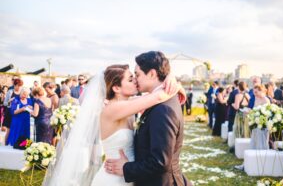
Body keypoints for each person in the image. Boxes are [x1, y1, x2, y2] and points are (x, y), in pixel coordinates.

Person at [43, 51, 190, 186]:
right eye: (131, 79)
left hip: (128, 175)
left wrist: (169, 78)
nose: (135, 81)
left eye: (136, 76)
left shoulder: (129, 104)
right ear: (116, 88)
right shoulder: (112, 109)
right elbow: (158, 95)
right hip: (113, 177)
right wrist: (172, 84)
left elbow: (153, 97)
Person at [3, 78, 23, 144]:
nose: (19, 87)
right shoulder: (10, 92)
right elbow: (4, 103)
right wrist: (9, 101)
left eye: (20, 86)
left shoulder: (22, 92)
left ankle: (15, 143)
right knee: (9, 129)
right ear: (15, 85)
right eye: (18, 86)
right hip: (10, 112)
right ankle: (6, 143)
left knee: (18, 129)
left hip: (19, 113)